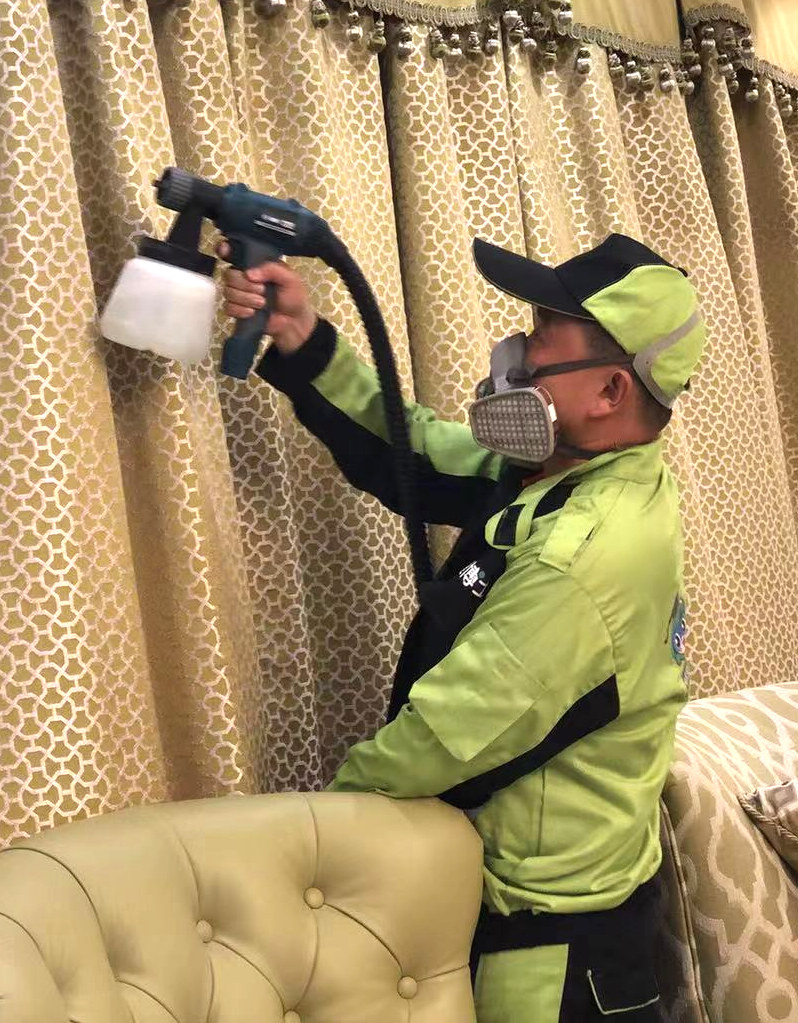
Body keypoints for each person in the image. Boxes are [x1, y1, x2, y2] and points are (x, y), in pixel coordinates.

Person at [220, 233, 705, 1022]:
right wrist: (305, 341)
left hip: (556, 960)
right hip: (538, 921)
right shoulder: (561, 473)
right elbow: (414, 451)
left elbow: (443, 740)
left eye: (541, 336)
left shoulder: (586, 554)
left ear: (610, 389)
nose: (516, 351)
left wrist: (301, 852)